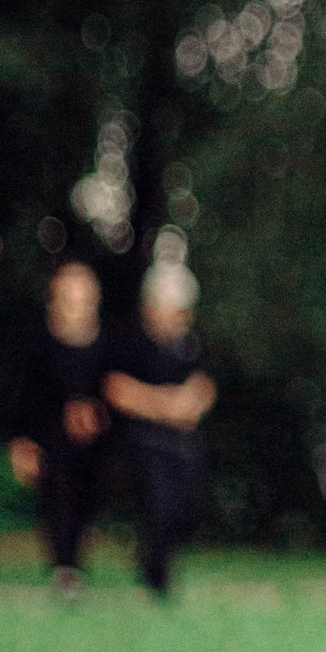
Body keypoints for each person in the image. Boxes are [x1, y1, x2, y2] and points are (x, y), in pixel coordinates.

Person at [104, 255, 217, 601]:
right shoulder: (128, 339)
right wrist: (165, 405)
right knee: (158, 505)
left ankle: (156, 566)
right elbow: (117, 389)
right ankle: (155, 579)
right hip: (142, 440)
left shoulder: (189, 343)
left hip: (183, 440)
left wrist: (192, 403)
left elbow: (204, 385)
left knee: (184, 508)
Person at [7, 258, 111, 595]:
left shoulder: (107, 341)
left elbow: (114, 388)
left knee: (87, 497)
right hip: (49, 436)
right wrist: (21, 442)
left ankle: (76, 562)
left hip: (97, 438)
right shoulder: (36, 339)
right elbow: (21, 394)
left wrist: (95, 415)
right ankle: (63, 566)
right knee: (58, 494)